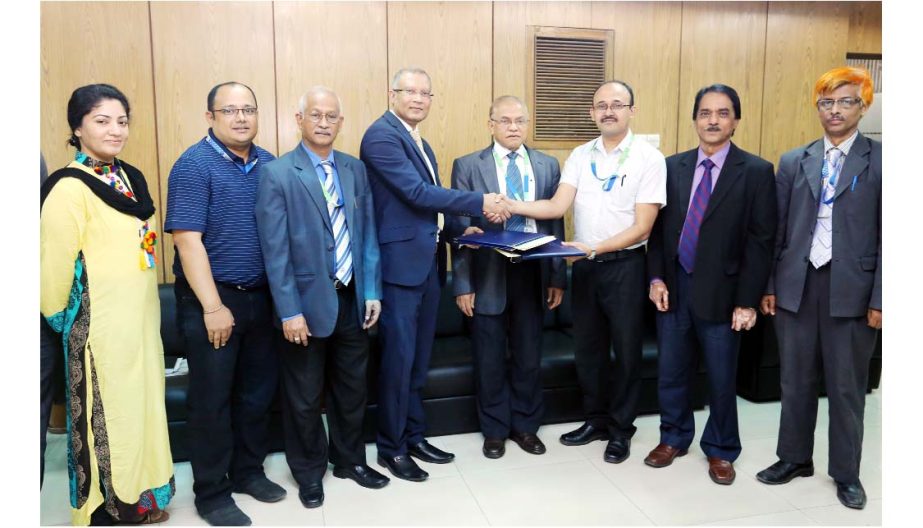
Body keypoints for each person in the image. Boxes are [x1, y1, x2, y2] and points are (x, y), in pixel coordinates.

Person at [359, 67, 510, 482]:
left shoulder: (418, 140)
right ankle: (392, 448)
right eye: (410, 91)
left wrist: (462, 229)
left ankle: (414, 435)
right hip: (399, 268)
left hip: (428, 264)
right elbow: (416, 193)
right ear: (392, 94)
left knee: (417, 362)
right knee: (398, 361)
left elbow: (431, 210)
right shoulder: (381, 135)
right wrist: (483, 200)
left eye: (426, 93)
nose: (419, 99)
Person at [504, 80, 666, 465]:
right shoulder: (580, 154)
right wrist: (508, 204)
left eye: (617, 104)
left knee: (626, 352)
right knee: (588, 351)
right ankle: (594, 420)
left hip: (626, 266)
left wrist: (594, 247)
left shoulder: (648, 158)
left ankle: (621, 429)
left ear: (631, 110)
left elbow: (644, 227)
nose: (608, 111)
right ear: (593, 113)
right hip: (586, 269)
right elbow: (557, 206)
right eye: (601, 105)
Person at [40, 83, 174, 525]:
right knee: (107, 416)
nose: (115, 130)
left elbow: (145, 248)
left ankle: (143, 499)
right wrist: (71, 324)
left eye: (122, 121)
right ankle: (106, 509)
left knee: (143, 412)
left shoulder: (130, 179)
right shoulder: (68, 188)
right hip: (99, 328)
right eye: (101, 121)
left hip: (140, 321)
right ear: (77, 128)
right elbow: (54, 270)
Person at [255, 86, 390, 509]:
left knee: (352, 390)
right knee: (304, 396)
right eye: (316, 115)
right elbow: (274, 253)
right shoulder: (277, 174)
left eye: (332, 116)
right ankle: (309, 473)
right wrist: (289, 311)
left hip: (352, 299)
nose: (324, 122)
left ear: (341, 122)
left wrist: (372, 291)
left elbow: (367, 235)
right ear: (299, 120)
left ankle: (350, 460)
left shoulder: (354, 169)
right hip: (305, 305)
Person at [756, 67, 881, 510]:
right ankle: (793, 458)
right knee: (795, 380)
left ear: (863, 106)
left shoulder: (883, 160)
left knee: (847, 387)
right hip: (796, 285)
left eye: (846, 101)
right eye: (827, 102)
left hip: (853, 288)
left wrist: (883, 298)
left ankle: (846, 473)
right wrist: (770, 283)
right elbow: (776, 230)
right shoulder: (795, 160)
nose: (835, 110)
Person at [644, 84, 777, 485]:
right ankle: (674, 437)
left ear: (735, 120)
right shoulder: (671, 167)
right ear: (695, 119)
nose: (713, 120)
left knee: (721, 376)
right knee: (670, 371)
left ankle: (720, 449)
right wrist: (654, 277)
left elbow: (761, 242)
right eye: (705, 113)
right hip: (674, 288)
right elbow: (656, 232)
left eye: (722, 113)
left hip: (724, 294)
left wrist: (747, 301)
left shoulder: (755, 171)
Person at [165, 81, 283, 526]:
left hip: (262, 297)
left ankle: (249, 472)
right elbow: (187, 241)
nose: (240, 117)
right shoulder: (194, 165)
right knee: (211, 400)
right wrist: (214, 307)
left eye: (247, 109)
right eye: (229, 110)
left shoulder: (269, 164)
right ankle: (212, 493)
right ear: (210, 116)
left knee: (256, 395)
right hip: (211, 299)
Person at [450, 95, 565, 459]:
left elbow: (556, 222)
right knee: (489, 356)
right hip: (487, 272)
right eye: (505, 120)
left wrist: (557, 277)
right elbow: (460, 228)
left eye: (520, 121)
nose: (514, 127)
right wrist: (463, 283)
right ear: (491, 124)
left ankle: (526, 426)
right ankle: (495, 430)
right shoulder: (468, 165)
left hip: (533, 270)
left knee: (529, 355)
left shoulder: (547, 165)